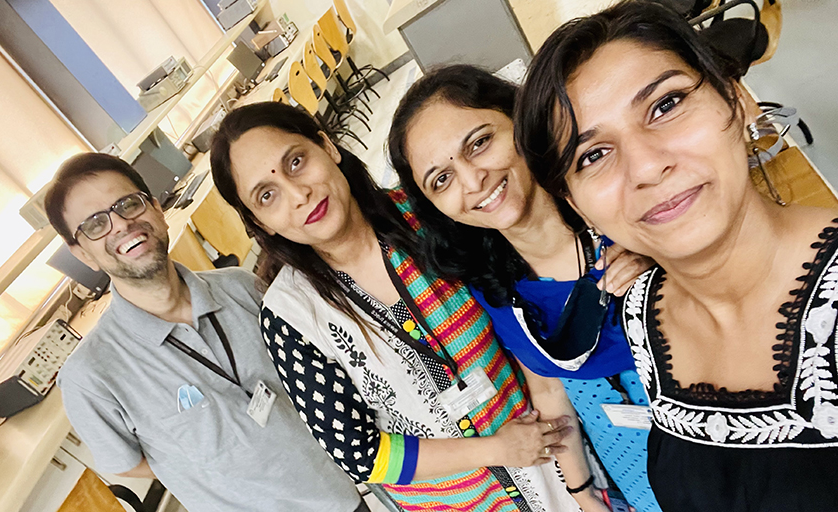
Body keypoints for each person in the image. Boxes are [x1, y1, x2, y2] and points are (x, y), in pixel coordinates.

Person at [516, 1, 838, 510]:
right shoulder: (643, 313)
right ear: (577, 204)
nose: (645, 166)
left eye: (665, 105)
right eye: (592, 155)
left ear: (737, 101)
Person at [208, 101, 601, 512]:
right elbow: (361, 454)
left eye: (296, 162)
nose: (299, 194)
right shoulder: (290, 317)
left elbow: (525, 286)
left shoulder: (430, 213)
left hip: (557, 449)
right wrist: (495, 450)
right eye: (267, 196)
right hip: (458, 501)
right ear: (260, 222)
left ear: (327, 146)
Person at [387, 64, 660, 512]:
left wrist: (667, 257)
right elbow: (551, 392)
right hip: (633, 473)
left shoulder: (623, 211)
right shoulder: (495, 290)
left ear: (520, 120)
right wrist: (584, 494)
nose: (473, 181)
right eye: (442, 179)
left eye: (480, 143)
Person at [44, 153, 365, 512]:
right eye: (95, 224)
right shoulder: (90, 377)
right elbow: (128, 463)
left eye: (128, 204)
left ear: (156, 208)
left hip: (338, 493)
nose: (120, 224)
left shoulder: (242, 288)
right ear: (81, 252)